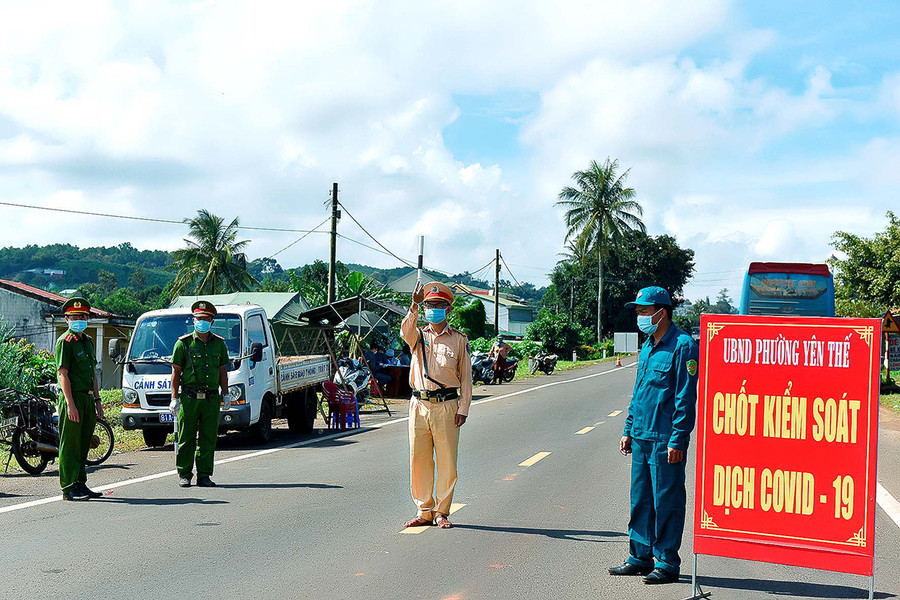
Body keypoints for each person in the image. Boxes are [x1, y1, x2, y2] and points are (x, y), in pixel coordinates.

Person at [609, 286, 699, 584]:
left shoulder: (683, 346)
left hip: (665, 439)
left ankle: (667, 562)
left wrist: (678, 439)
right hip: (641, 436)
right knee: (640, 500)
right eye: (638, 311)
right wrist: (628, 429)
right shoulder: (648, 345)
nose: (640, 316)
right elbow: (639, 393)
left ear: (662, 312)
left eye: (644, 311)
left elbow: (685, 399)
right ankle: (639, 557)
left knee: (666, 501)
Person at [400, 281, 472, 529]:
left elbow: (466, 377)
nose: (433, 309)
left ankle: (442, 511)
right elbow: (405, 331)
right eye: (429, 305)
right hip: (418, 405)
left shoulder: (459, 340)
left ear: (448, 309)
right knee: (419, 460)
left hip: (447, 405)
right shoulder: (418, 336)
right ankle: (424, 510)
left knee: (447, 461)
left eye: (438, 305)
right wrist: (414, 304)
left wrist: (463, 408)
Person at [170, 300, 230, 488]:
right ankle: (184, 474)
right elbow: (176, 372)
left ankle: (204, 475)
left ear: (212, 322)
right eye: (198, 319)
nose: (201, 322)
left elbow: (222, 371)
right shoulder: (183, 343)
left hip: (211, 398)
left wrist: (226, 394)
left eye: (205, 319)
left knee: (208, 437)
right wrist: (174, 398)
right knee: (186, 437)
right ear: (193, 320)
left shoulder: (219, 344)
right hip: (189, 398)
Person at [55, 297, 104, 501]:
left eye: (82, 317)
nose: (78, 320)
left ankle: (80, 483)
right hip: (72, 398)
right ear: (67, 319)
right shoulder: (65, 342)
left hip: (87, 398)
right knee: (71, 444)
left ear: (87, 319)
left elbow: (92, 373)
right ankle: (68, 488)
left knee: (84, 443)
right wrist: (70, 404)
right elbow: (63, 374)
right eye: (74, 317)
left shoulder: (87, 341)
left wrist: (98, 401)